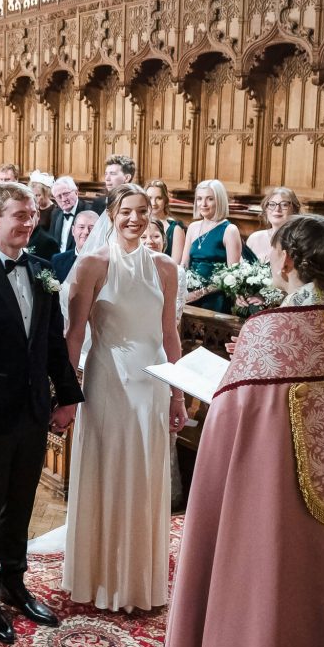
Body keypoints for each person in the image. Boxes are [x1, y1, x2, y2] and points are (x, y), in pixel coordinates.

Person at [162, 214, 324, 647]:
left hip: (278, 504)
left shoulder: (273, 331)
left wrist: (237, 371)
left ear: (288, 260)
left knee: (279, 594)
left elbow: (237, 416)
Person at [0, 182, 82, 644]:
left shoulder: (43, 272)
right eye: (19, 215)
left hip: (32, 412)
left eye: (32, 215)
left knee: (21, 503)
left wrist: (67, 398)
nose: (29, 222)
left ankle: (13, 582)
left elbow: (51, 343)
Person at [62, 183, 186, 613]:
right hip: (108, 379)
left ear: (152, 215)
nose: (135, 219)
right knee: (109, 468)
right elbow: (74, 335)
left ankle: (137, 581)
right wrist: (65, 392)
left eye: (143, 211)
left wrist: (177, 396)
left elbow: (170, 334)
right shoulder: (92, 263)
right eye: (126, 211)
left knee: (145, 476)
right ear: (112, 214)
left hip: (152, 383)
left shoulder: (166, 267)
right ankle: (99, 576)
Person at [141, 216, 187, 507]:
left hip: (159, 350)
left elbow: (173, 325)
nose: (150, 241)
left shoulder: (173, 272)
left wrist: (177, 392)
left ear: (164, 240)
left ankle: (160, 497)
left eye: (155, 236)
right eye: (144, 236)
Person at [180, 179, 243, 313]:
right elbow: (184, 265)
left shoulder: (230, 230)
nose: (203, 204)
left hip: (215, 299)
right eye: (199, 199)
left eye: (210, 199)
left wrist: (200, 293)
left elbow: (233, 274)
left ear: (219, 201)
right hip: (189, 296)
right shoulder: (192, 227)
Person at [245, 186, 301, 263]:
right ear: (266, 209)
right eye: (272, 204)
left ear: (294, 210)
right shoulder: (254, 238)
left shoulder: (300, 241)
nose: (277, 209)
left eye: (284, 205)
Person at [50, 209, 96, 282]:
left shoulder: (108, 263)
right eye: (81, 227)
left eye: (91, 228)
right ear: (73, 230)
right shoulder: (57, 260)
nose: (86, 232)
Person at [146, 179, 185, 262]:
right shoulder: (140, 224)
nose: (153, 203)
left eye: (159, 198)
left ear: (165, 200)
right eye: (149, 198)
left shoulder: (175, 228)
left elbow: (176, 265)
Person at [49, 176, 92, 251]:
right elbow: (52, 242)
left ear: (76, 192)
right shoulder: (55, 213)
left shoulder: (88, 211)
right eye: (59, 196)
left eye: (66, 194)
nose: (63, 199)